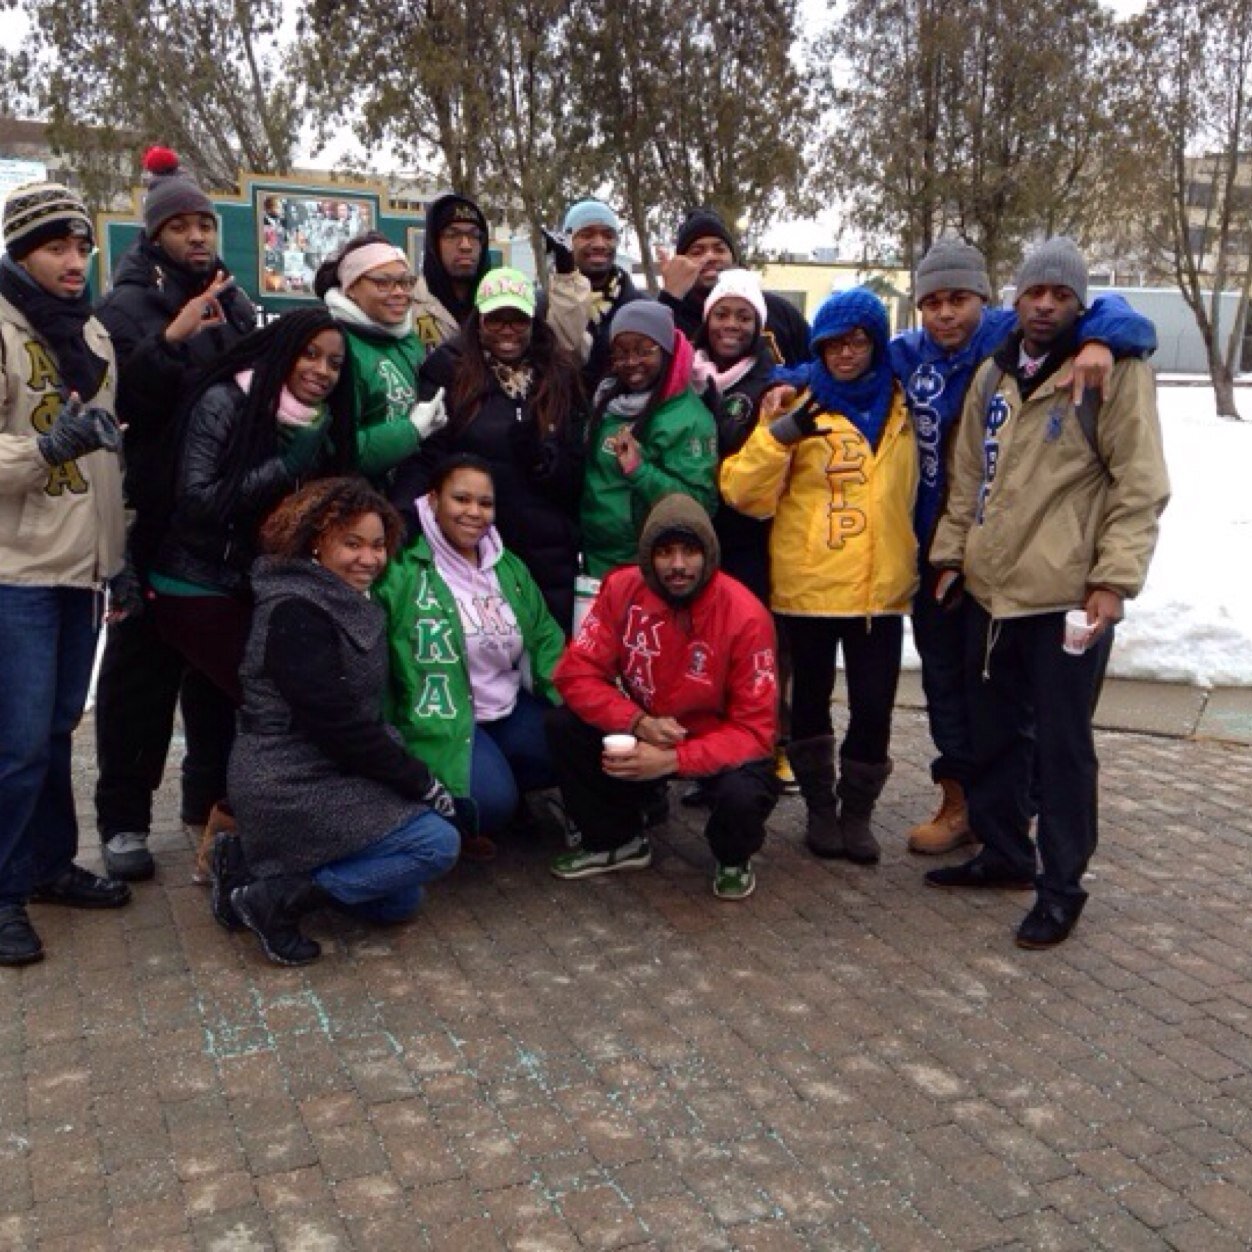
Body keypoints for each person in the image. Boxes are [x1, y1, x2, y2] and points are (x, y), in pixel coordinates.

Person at [925, 238, 1169, 949]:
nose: (1045, 305)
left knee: (1063, 751)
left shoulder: (1112, 372)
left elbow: (1139, 484)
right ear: (1016, 296)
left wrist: (1113, 581)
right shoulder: (995, 376)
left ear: (1079, 304)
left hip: (1066, 597)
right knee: (994, 737)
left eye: (1062, 296)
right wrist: (949, 557)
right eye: (1036, 292)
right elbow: (969, 472)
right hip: (992, 593)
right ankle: (1004, 853)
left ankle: (1061, 887)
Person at [92, 146, 257, 882]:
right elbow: (123, 403)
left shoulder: (234, 295)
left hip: (224, 516)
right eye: (182, 225)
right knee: (140, 678)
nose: (197, 237)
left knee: (219, 669)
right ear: (155, 233)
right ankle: (123, 820)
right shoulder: (126, 305)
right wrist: (172, 338)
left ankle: (206, 797)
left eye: (205, 224)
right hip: (157, 514)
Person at [224, 478, 461, 965]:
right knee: (435, 846)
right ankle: (273, 900)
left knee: (400, 900)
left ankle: (245, 863)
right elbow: (336, 725)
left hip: (326, 768)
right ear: (316, 541)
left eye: (377, 546)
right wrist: (418, 780)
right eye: (351, 544)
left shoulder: (336, 596)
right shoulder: (296, 608)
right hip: (287, 777)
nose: (369, 559)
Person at [721, 287, 918, 866]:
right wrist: (781, 435)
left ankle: (857, 812)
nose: (844, 355)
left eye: (856, 342)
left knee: (875, 707)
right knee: (808, 702)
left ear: (875, 343)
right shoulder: (794, 400)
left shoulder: (904, 401)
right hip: (810, 587)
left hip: (880, 591)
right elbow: (741, 491)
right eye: (831, 345)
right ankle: (819, 810)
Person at [0, 181, 131, 966]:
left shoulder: (93, 334)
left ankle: (45, 864)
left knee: (53, 732)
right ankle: (2, 890)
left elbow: (112, 457)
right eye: (57, 247)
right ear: (21, 252)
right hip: (15, 569)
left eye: (82, 247)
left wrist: (123, 558)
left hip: (83, 568)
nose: (75, 261)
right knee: (15, 743)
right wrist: (46, 449)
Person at [546, 494, 779, 900]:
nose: (677, 565)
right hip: (647, 723)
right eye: (665, 552)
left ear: (708, 554)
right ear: (646, 556)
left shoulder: (746, 614)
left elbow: (757, 731)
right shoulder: (621, 588)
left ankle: (733, 856)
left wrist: (674, 759)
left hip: (714, 741)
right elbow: (575, 672)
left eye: (689, 551)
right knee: (565, 724)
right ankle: (617, 840)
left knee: (744, 791)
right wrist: (636, 722)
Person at [148, 308, 357, 709]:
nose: (322, 370)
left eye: (334, 363)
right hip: (196, 581)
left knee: (218, 725)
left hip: (255, 587)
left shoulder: (318, 424)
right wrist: (285, 466)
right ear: (283, 352)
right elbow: (196, 501)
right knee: (268, 701)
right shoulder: (226, 401)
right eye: (309, 354)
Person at [375, 455, 566, 861]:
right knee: (492, 802)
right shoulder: (402, 567)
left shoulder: (506, 565)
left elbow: (547, 639)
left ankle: (496, 789)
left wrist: (588, 706)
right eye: (461, 499)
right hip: (439, 720)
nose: (474, 513)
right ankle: (447, 810)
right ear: (433, 500)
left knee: (576, 744)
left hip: (503, 708)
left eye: (485, 503)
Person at [392, 269, 585, 630]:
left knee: (545, 664)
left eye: (518, 319)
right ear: (479, 320)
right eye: (497, 319)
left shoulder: (559, 373)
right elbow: (425, 456)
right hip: (470, 545)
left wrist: (546, 461)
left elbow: (577, 469)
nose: (508, 330)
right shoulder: (449, 369)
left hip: (546, 554)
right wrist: (402, 516)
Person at [581, 302, 719, 579]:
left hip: (650, 568)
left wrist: (640, 471)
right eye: (621, 353)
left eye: (644, 351)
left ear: (666, 350)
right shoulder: (607, 402)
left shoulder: (689, 418)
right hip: (596, 563)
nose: (631, 362)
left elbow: (700, 504)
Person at [315, 231, 448, 485]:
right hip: (355, 506)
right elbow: (338, 451)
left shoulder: (409, 341)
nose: (399, 292)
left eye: (405, 282)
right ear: (352, 287)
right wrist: (411, 431)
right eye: (383, 283)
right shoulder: (335, 347)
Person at [657, 208, 810, 367]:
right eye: (697, 251)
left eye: (719, 249)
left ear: (733, 257)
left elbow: (820, 365)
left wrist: (792, 383)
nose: (710, 257)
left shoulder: (779, 311)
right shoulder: (669, 316)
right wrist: (670, 297)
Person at [544, 198, 647, 391]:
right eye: (587, 234)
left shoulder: (640, 307)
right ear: (568, 241)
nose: (599, 244)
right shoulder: (543, 305)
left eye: (608, 235)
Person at [412, 192, 494, 352]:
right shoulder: (408, 311)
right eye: (453, 234)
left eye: (474, 235)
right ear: (434, 244)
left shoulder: (501, 307)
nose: (465, 245)